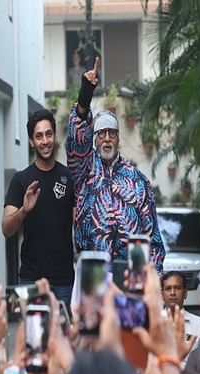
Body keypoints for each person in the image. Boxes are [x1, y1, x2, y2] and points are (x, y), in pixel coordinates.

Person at [66, 57, 165, 272]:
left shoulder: (137, 180)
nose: (107, 139)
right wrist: (85, 94)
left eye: (112, 133)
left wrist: (153, 280)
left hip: (130, 273)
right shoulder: (84, 171)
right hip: (93, 272)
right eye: (101, 134)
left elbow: (152, 235)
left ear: (118, 139)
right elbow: (76, 139)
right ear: (94, 139)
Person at [3, 109, 75, 307]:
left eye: (48, 134)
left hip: (64, 282)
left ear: (54, 135)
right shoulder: (20, 180)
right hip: (30, 280)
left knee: (62, 337)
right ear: (31, 141)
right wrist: (24, 210)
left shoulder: (68, 177)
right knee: (31, 338)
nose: (45, 141)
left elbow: (78, 224)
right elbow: (6, 229)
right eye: (39, 136)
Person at [161, 271, 200, 352]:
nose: (172, 293)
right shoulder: (153, 323)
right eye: (168, 288)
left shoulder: (198, 325)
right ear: (162, 295)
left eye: (177, 288)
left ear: (185, 293)